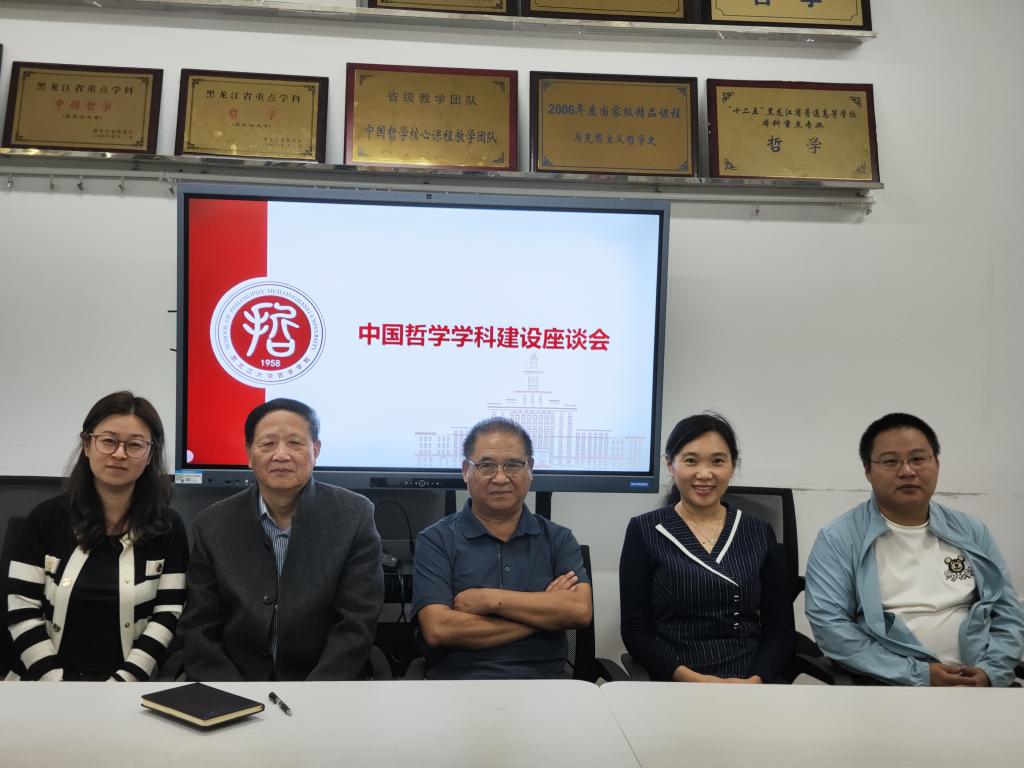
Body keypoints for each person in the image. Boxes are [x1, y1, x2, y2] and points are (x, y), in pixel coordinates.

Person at [805, 412, 1024, 687]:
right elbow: (830, 627)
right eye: (890, 461)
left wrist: (991, 672)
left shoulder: (971, 531)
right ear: (867, 470)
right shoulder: (838, 538)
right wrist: (918, 674)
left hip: (977, 681)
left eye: (918, 459)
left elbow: (1008, 613)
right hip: (891, 685)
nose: (907, 471)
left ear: (937, 464)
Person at [178, 398, 383, 681]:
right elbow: (199, 626)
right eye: (268, 444)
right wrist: (235, 695)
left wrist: (315, 694)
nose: (281, 455)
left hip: (325, 685)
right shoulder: (212, 524)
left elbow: (356, 623)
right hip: (236, 685)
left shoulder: (354, 515)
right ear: (249, 454)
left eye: (295, 443)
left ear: (315, 450)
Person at [5, 391, 188, 681]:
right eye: (108, 441)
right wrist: (54, 682)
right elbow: (21, 608)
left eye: (135, 445)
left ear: (150, 455)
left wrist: (122, 683)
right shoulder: (46, 519)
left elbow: (168, 613)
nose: (119, 454)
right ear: (87, 445)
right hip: (41, 684)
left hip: (130, 688)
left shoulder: (168, 527)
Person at [412, 417, 592, 679]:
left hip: (546, 686)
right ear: (466, 470)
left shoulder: (558, 539)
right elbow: (439, 629)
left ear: (530, 469)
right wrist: (544, 616)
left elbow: (579, 611)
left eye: (513, 465)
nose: (500, 477)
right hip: (457, 685)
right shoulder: (436, 540)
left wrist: (489, 600)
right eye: (486, 466)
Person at [619, 413, 794, 683]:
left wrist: (756, 680)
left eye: (717, 461)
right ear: (670, 465)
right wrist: (691, 679)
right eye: (691, 461)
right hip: (676, 680)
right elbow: (635, 630)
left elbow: (780, 630)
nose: (704, 474)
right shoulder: (645, 530)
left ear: (732, 466)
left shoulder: (759, 531)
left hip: (749, 680)